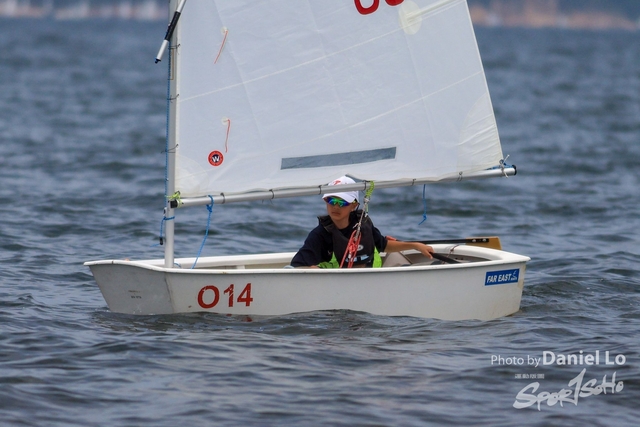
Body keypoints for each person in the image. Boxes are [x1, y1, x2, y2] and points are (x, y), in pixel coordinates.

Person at [290, 176, 434, 268]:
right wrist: (315, 271)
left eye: (342, 202)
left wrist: (415, 246)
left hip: (373, 280)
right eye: (331, 201)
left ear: (354, 205)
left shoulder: (363, 224)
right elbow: (298, 265)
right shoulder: (320, 234)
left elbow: (383, 245)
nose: (335, 207)